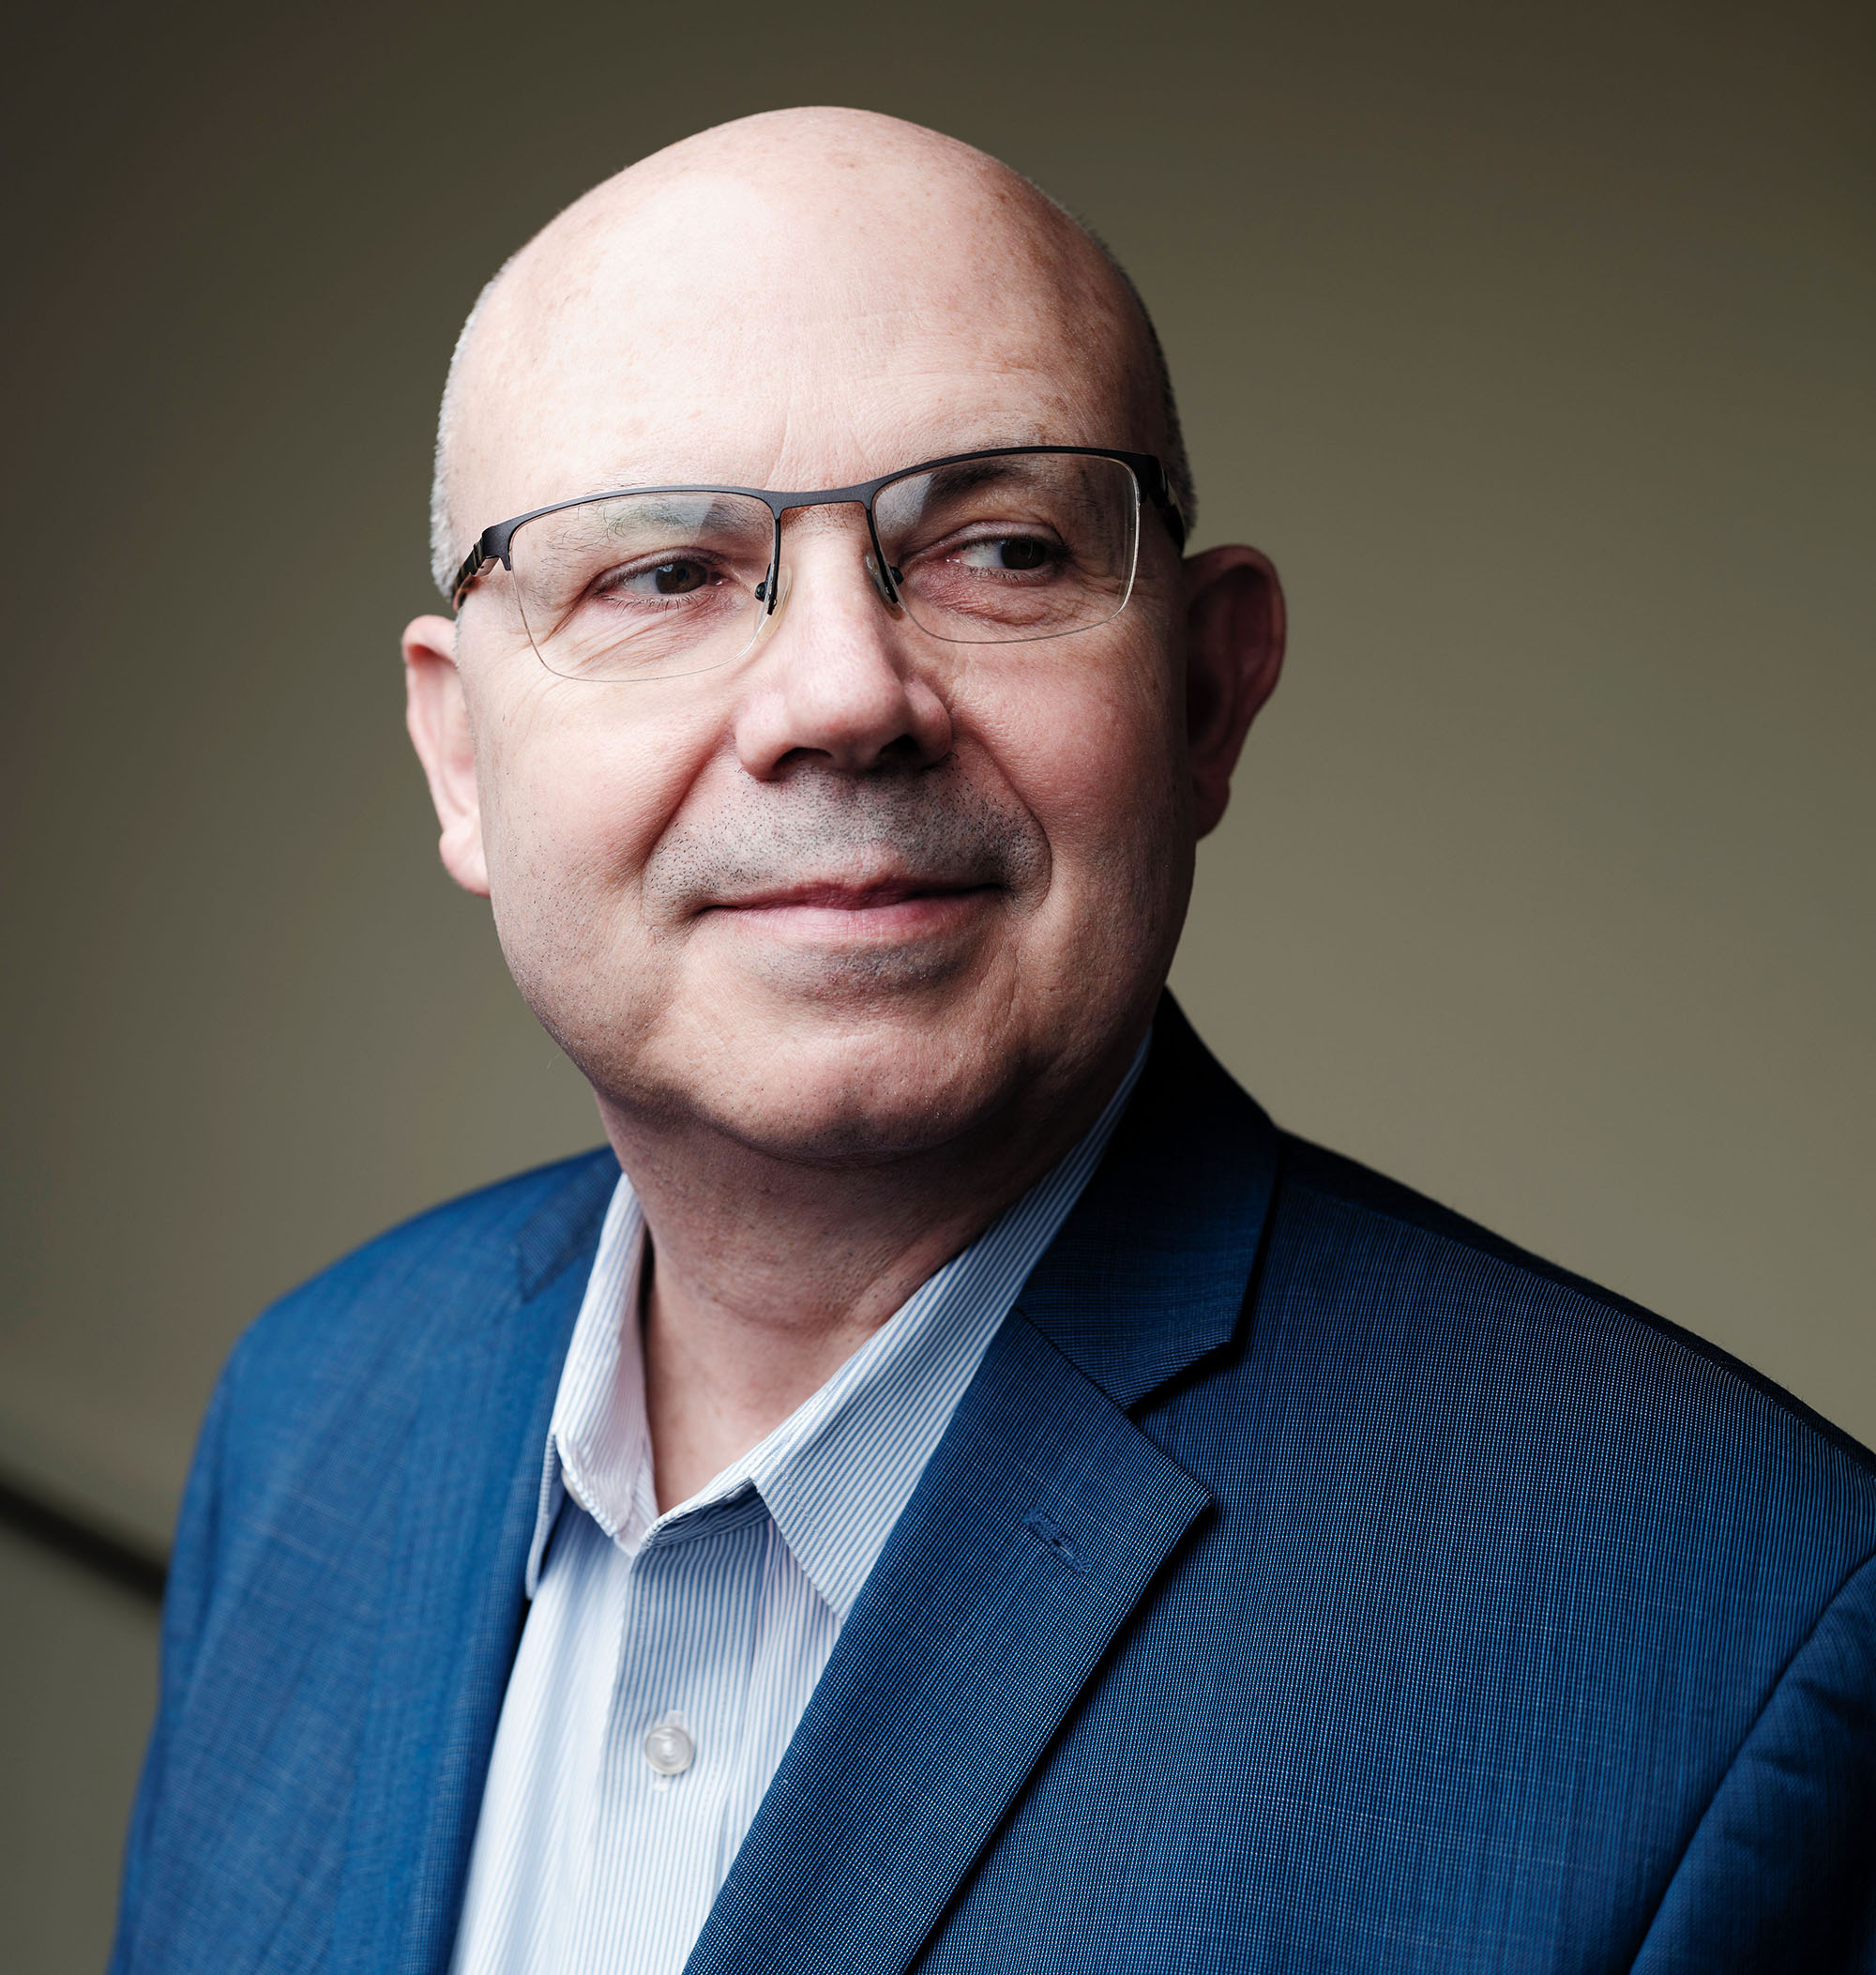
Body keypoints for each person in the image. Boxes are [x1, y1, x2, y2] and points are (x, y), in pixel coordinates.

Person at [110, 107, 1874, 1974]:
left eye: (1002, 550)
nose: (841, 696)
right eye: (664, 574)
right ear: (461, 759)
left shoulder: (1735, 1640)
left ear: (1207, 693)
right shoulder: (314, 1412)